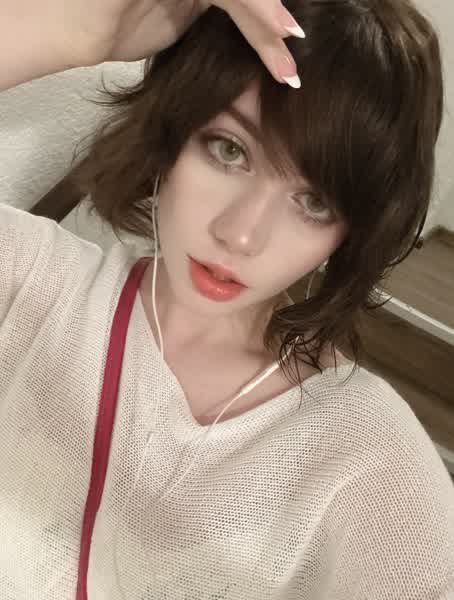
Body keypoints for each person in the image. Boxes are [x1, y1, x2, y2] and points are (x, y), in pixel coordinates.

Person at [0, 0, 453, 599]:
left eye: (315, 201)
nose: (241, 235)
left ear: (352, 231)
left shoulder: (365, 458)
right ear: (175, 129)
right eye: (229, 150)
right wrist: (77, 30)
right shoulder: (32, 283)